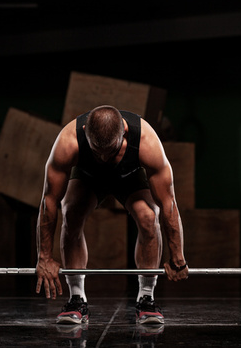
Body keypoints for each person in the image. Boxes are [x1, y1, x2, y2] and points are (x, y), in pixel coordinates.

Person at [35, 105, 189, 325]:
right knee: (70, 214)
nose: (105, 158)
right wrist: (44, 257)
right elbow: (48, 202)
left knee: (149, 217)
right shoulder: (68, 141)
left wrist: (177, 256)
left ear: (124, 131)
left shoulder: (146, 142)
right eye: (97, 151)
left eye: (112, 151)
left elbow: (169, 204)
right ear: (86, 131)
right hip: (89, 178)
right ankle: (77, 299)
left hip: (130, 178)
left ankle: (146, 298)